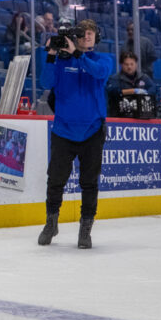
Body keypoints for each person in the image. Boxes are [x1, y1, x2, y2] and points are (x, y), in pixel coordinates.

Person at [37, 19, 112, 249]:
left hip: (92, 131)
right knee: (55, 180)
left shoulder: (103, 60)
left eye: (91, 33)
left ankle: (85, 228)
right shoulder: (60, 60)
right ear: (75, 37)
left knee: (89, 183)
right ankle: (51, 223)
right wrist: (50, 54)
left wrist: (78, 56)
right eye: (82, 33)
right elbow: (45, 82)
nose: (87, 36)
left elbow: (98, 73)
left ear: (96, 37)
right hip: (63, 130)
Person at [106, 50, 157, 116]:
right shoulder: (114, 78)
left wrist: (146, 93)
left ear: (136, 64)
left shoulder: (143, 77)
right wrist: (132, 91)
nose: (129, 67)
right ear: (121, 65)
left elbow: (153, 88)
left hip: (141, 115)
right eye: (126, 64)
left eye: (131, 64)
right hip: (120, 116)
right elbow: (113, 91)